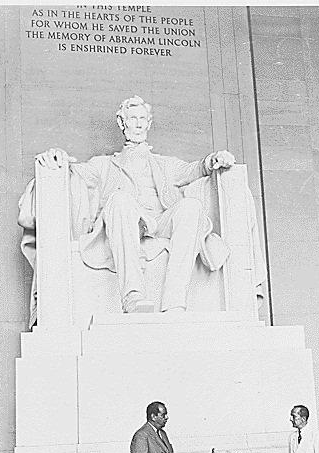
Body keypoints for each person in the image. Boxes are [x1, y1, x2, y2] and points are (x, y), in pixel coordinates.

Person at [25, 95, 238, 315]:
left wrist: (213, 160)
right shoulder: (104, 165)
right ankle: (133, 297)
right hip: (127, 223)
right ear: (122, 123)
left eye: (142, 119)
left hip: (160, 223)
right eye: (132, 118)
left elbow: (194, 169)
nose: (138, 124)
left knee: (191, 206)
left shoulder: (165, 164)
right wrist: (56, 157)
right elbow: (75, 172)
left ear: (149, 123)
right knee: (120, 199)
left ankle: (174, 302)